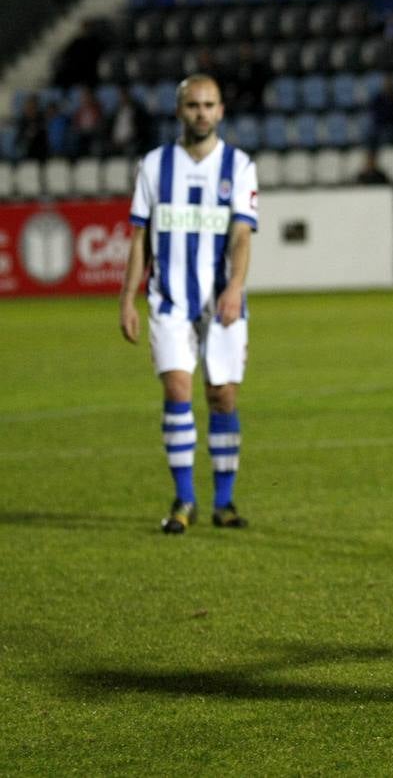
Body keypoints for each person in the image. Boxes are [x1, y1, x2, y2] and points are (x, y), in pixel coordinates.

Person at [117, 74, 259, 534]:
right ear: (179, 111)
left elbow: (241, 234)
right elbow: (139, 239)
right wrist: (127, 299)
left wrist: (235, 286)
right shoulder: (154, 166)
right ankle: (184, 501)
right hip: (170, 301)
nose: (201, 112)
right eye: (193, 105)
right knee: (177, 390)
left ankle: (224, 502)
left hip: (221, 303)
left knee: (222, 396)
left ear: (221, 111)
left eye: (209, 104)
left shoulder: (238, 166)